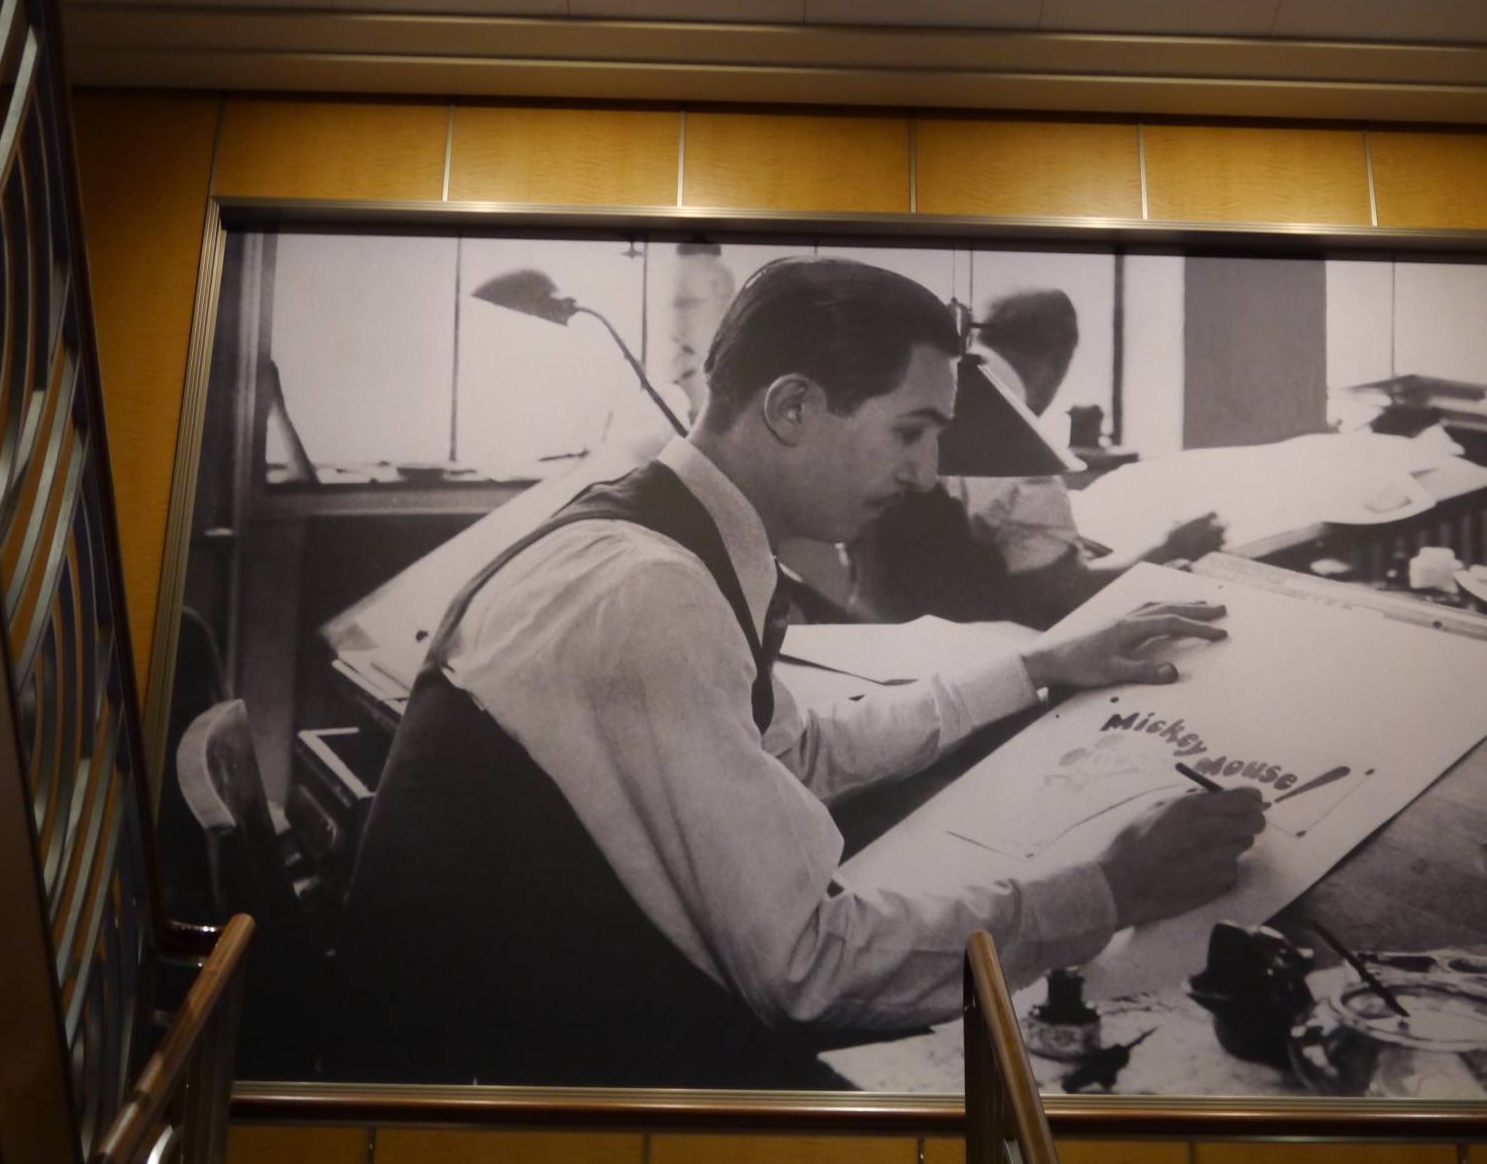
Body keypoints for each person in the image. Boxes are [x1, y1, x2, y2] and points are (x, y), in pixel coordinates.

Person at [333, 257, 1264, 1087]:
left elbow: (788, 749)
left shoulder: (647, 527)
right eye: (910, 431)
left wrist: (1035, 667)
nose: (929, 474)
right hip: (489, 1092)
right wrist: (1113, 890)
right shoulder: (650, 592)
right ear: (790, 408)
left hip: (500, 1025)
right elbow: (809, 970)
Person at [853, 288, 1222, 629]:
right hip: (966, 654)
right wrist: (1169, 548)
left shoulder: (926, 397)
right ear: (1058, 364)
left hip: (872, 630)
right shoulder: (1015, 448)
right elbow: (1063, 597)